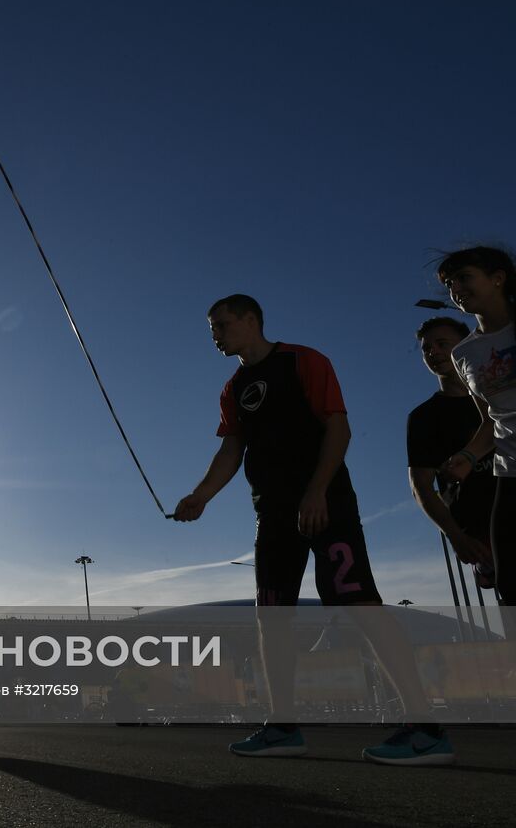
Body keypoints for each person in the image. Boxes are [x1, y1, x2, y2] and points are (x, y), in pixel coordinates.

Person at [171, 295, 453, 765]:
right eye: (211, 328)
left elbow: (338, 429)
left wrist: (318, 490)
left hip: (327, 503)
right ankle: (282, 726)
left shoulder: (304, 360)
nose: (215, 334)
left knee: (360, 604)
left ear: (250, 319)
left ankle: (425, 726)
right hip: (273, 515)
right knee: (272, 616)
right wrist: (201, 495)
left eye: (221, 324)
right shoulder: (234, 386)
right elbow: (231, 451)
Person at [436, 246, 516, 606]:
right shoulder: (465, 353)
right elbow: (490, 418)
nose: (456, 288)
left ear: (498, 278)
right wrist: (468, 455)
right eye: (450, 284)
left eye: (464, 277)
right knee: (509, 582)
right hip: (511, 472)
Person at [406, 317, 497, 586]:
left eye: (442, 343)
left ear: (466, 345)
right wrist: (455, 535)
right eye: (426, 349)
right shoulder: (424, 417)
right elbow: (420, 485)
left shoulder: (499, 395)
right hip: (479, 530)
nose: (432, 352)